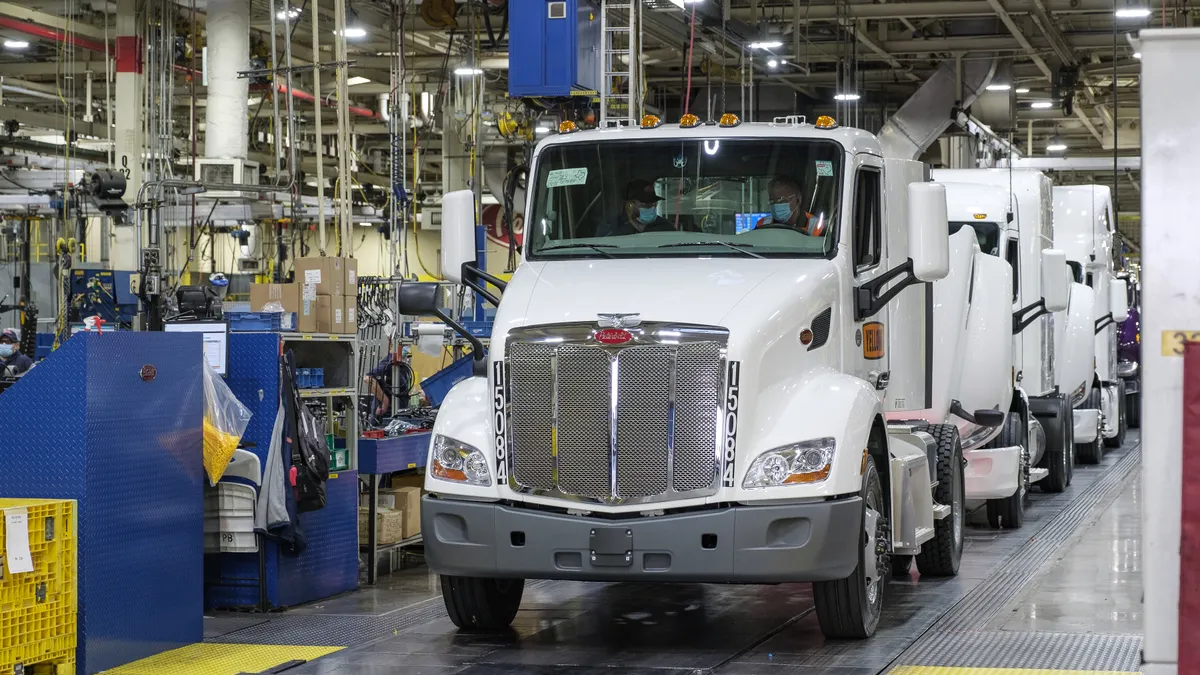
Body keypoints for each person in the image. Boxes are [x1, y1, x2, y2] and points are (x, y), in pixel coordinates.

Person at [596, 179, 675, 237]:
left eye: (654, 203)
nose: (652, 207)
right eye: (646, 204)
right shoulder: (611, 228)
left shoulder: (665, 227)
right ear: (630, 206)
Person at [756, 176, 826, 235]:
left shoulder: (816, 226)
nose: (775, 205)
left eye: (781, 200)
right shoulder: (763, 224)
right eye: (772, 201)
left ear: (798, 199)